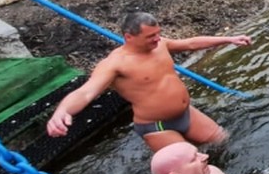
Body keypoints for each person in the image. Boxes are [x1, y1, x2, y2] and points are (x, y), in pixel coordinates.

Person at [47, 11, 251, 150]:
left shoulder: (160, 45)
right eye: (150, 36)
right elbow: (86, 92)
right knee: (192, 171)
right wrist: (61, 112)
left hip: (186, 113)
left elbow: (190, 43)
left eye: (158, 34)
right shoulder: (115, 64)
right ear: (129, 37)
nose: (157, 39)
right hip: (158, 126)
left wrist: (229, 39)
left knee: (223, 143)